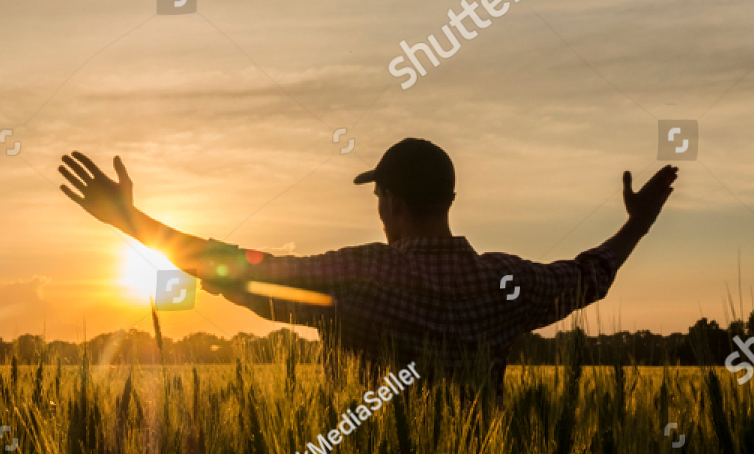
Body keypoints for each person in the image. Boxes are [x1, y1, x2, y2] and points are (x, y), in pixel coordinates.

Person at [59, 138, 677, 393]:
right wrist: (638, 224)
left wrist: (130, 223)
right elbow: (588, 276)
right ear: (450, 202)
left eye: (380, 198)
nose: (379, 210)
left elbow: (240, 270)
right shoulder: (504, 282)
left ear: (395, 204)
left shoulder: (363, 277)